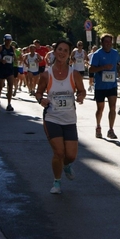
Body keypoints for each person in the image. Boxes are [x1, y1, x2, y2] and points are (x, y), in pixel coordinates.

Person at [35, 39, 86, 194]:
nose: (62, 53)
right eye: (60, 49)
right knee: (59, 152)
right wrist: (41, 100)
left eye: (65, 50)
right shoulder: (46, 75)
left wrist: (81, 96)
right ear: (54, 51)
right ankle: (57, 182)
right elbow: (38, 92)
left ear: (68, 54)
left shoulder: (74, 74)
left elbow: (82, 90)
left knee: (70, 155)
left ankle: (66, 165)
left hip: (69, 119)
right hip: (52, 118)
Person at [89, 34, 120, 139]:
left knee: (113, 107)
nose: (108, 44)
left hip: (112, 85)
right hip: (100, 86)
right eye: (106, 42)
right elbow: (91, 69)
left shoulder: (115, 53)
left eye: (110, 41)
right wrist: (103, 67)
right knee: (100, 108)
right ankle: (98, 126)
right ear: (102, 43)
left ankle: (111, 129)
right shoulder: (97, 54)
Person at [0, 34, 17, 111]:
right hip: (1, 68)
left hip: (9, 69)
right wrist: (1, 60)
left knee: (10, 85)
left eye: (10, 40)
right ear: (4, 40)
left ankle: (9, 104)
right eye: (7, 40)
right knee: (0, 86)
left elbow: (14, 57)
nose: (8, 42)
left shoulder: (12, 48)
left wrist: (15, 59)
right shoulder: (1, 47)